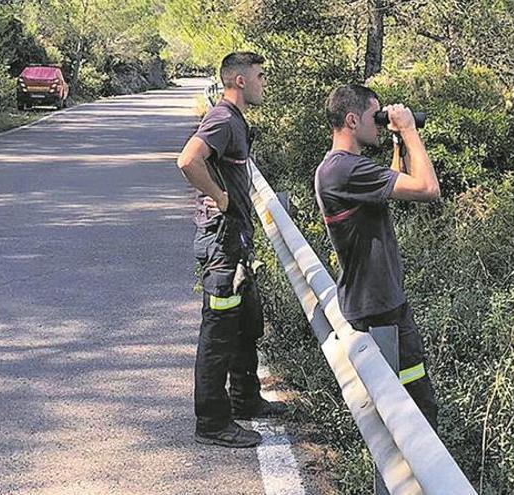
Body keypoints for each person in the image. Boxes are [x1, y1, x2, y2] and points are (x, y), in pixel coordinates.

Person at [314, 84, 440, 429]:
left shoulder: (343, 167)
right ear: (352, 120)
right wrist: (411, 130)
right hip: (380, 308)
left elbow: (391, 189)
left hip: (378, 301)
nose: (380, 123)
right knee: (417, 411)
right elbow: (428, 189)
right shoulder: (344, 170)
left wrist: (398, 141)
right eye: (376, 116)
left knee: (402, 404)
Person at [176, 52, 285, 448]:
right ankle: (212, 422)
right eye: (259, 76)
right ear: (239, 81)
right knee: (219, 332)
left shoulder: (235, 119)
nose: (263, 83)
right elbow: (188, 161)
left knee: (245, 324)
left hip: (236, 240)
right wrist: (220, 197)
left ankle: (245, 399)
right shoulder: (223, 119)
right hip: (222, 241)